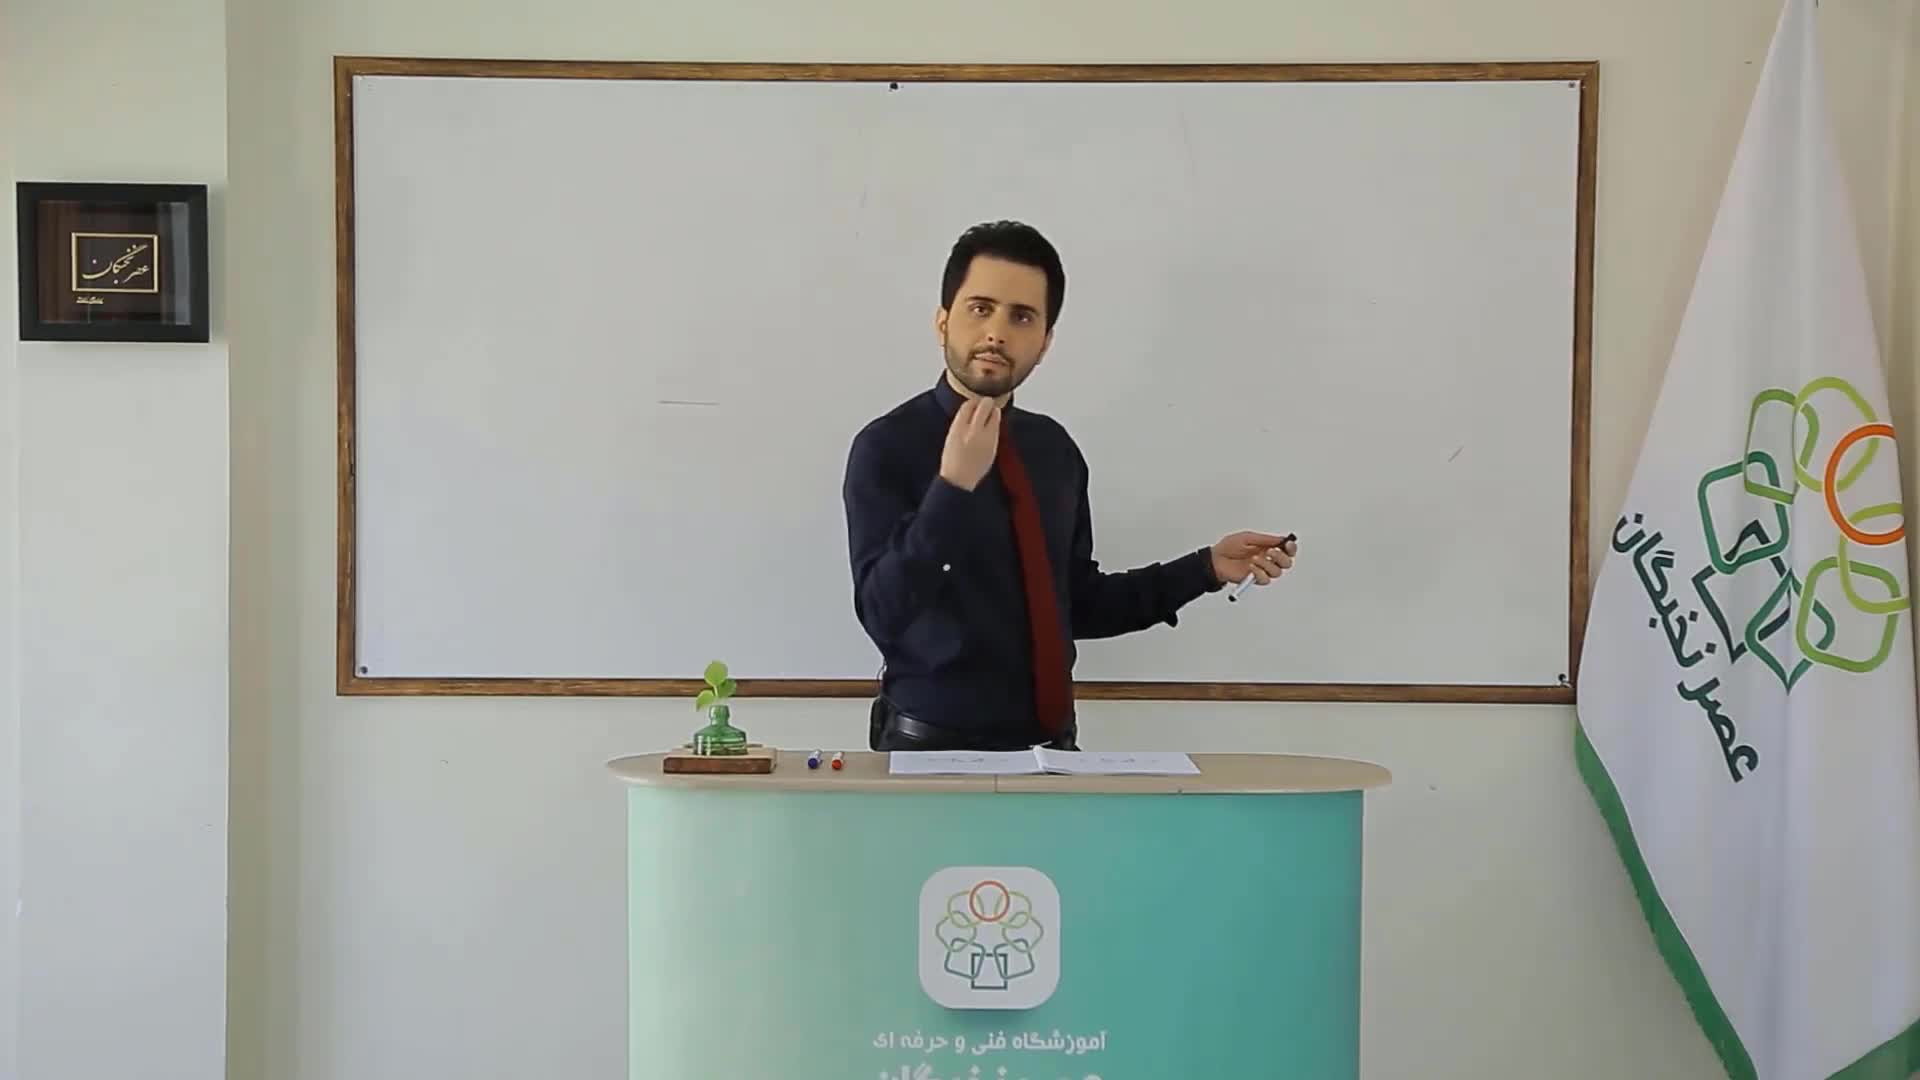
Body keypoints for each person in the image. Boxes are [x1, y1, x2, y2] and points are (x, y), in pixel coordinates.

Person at [841, 220, 1297, 752]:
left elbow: (1077, 604)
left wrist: (1207, 568)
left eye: (1022, 316)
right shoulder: (886, 447)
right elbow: (882, 613)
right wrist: (953, 488)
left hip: (1054, 758)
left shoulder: (1053, 451)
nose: (996, 333)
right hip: (930, 758)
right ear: (943, 322)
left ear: (1045, 342)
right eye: (980, 308)